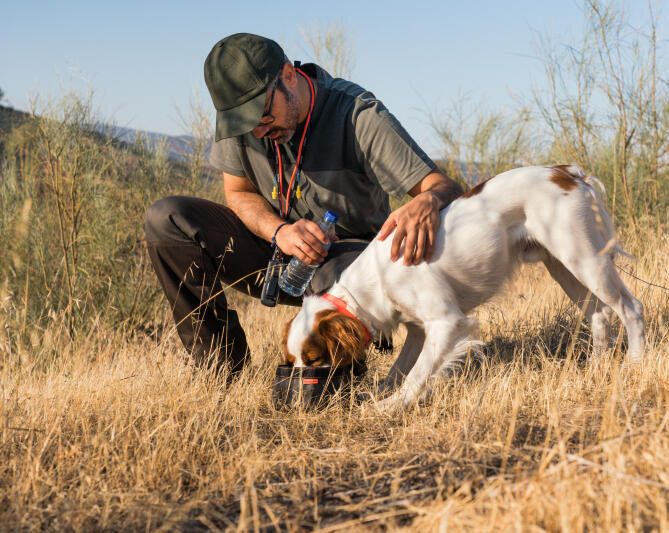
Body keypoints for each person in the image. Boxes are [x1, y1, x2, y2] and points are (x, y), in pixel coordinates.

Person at [143, 33, 463, 377]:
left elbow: (442, 186)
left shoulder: (356, 114)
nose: (259, 132)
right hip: (277, 253)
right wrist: (278, 231)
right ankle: (220, 371)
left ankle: (331, 378)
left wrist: (428, 200)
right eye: (247, 125)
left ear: (288, 76)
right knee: (166, 220)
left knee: (331, 268)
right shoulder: (247, 124)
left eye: (264, 117)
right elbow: (238, 193)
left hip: (348, 265)